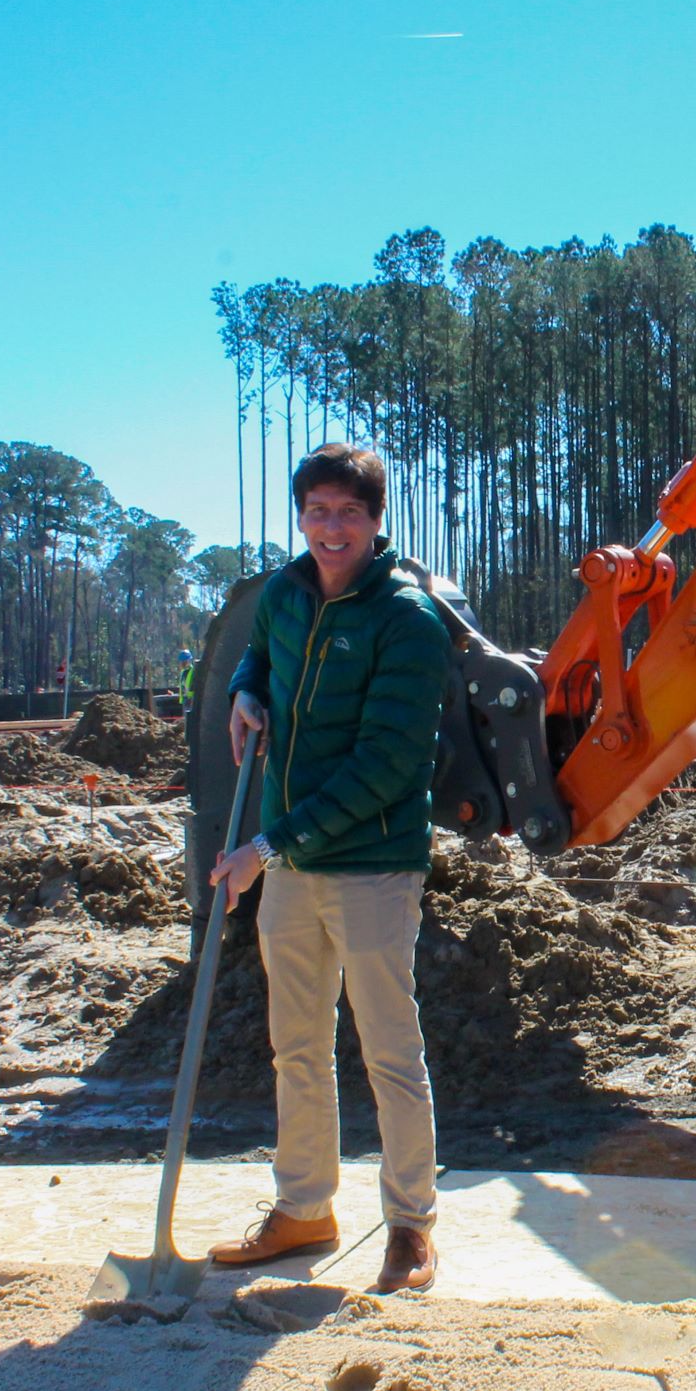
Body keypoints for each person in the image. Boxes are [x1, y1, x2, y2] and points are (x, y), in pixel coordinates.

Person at [207, 444, 450, 1294]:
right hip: (290, 865)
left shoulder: (408, 621)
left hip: (371, 865)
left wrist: (267, 848)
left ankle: (411, 1227)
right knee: (297, 1048)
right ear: (301, 517)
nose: (331, 528)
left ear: (377, 521)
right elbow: (260, 655)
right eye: (317, 511)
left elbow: (386, 765)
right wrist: (244, 690)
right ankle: (304, 1208)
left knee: (390, 1051)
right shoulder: (284, 593)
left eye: (349, 512)